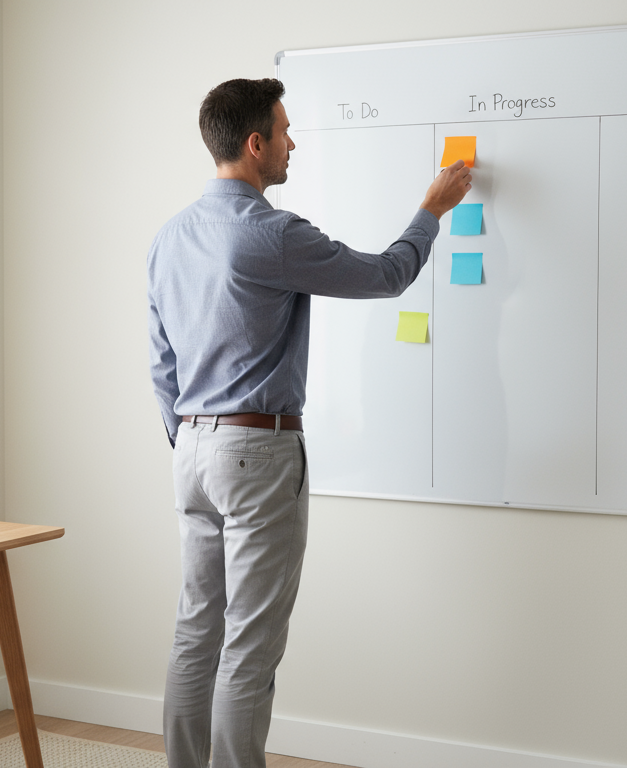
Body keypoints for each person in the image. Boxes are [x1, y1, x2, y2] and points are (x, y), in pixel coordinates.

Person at [147, 77, 471, 768]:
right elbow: (386, 276)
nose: (294, 143)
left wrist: (192, 441)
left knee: (195, 631)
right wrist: (431, 210)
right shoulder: (269, 232)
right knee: (250, 645)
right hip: (254, 452)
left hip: (192, 452)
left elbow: (160, 363)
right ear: (256, 143)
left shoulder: (169, 237)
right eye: (286, 131)